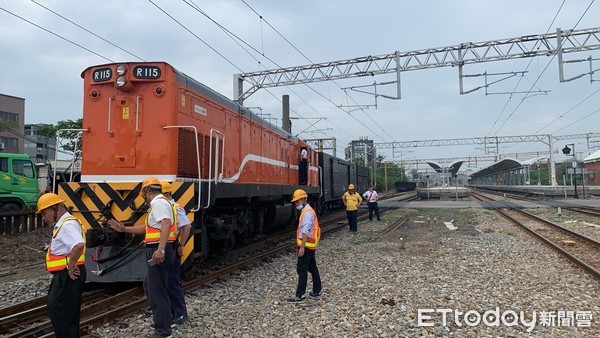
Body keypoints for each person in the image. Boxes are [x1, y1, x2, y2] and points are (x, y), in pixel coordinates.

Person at [109, 177, 177, 338]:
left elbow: (166, 223)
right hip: (160, 248)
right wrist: (125, 229)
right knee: (150, 285)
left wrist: (160, 250)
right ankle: (165, 320)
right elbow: (149, 228)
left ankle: (163, 331)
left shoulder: (158, 203)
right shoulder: (162, 203)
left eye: (144, 194)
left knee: (156, 290)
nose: (144, 198)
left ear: (147, 192)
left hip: (158, 250)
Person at [38, 193, 86, 338]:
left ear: (56, 209)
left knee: (60, 310)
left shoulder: (67, 225)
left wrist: (71, 266)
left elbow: (78, 245)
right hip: (65, 274)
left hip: (68, 274)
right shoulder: (65, 223)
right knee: (64, 311)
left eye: (44, 213)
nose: (43, 218)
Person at [160, 181, 191, 326]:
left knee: (172, 281)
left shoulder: (174, 208)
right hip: (167, 248)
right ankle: (172, 313)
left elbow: (186, 226)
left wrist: (181, 245)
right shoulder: (166, 207)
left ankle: (180, 313)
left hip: (172, 248)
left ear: (166, 194)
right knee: (166, 282)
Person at [288, 189, 322, 303]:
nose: (296, 204)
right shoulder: (308, 210)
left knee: (301, 269)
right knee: (312, 268)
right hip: (310, 245)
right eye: (295, 202)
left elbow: (306, 230)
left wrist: (302, 247)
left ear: (303, 200)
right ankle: (317, 291)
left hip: (306, 246)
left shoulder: (307, 213)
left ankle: (300, 295)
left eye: (297, 201)